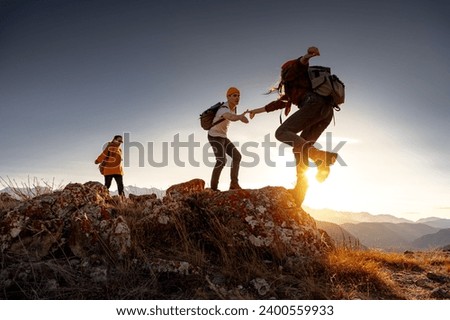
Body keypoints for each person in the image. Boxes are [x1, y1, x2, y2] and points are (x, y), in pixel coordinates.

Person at [249, 47, 338, 206]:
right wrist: (255, 111)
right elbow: (275, 105)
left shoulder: (291, 72)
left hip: (314, 105)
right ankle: (300, 192)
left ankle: (320, 157)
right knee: (299, 146)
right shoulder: (292, 90)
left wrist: (307, 56)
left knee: (282, 132)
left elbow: (300, 64)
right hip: (327, 112)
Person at [208, 87, 249, 191]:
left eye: (239, 95)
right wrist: (239, 117)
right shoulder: (224, 108)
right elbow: (229, 116)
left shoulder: (233, 108)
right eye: (234, 95)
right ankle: (213, 189)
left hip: (223, 137)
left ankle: (234, 184)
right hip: (214, 136)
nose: (237, 98)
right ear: (228, 97)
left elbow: (233, 116)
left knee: (237, 156)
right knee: (221, 161)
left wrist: (240, 117)